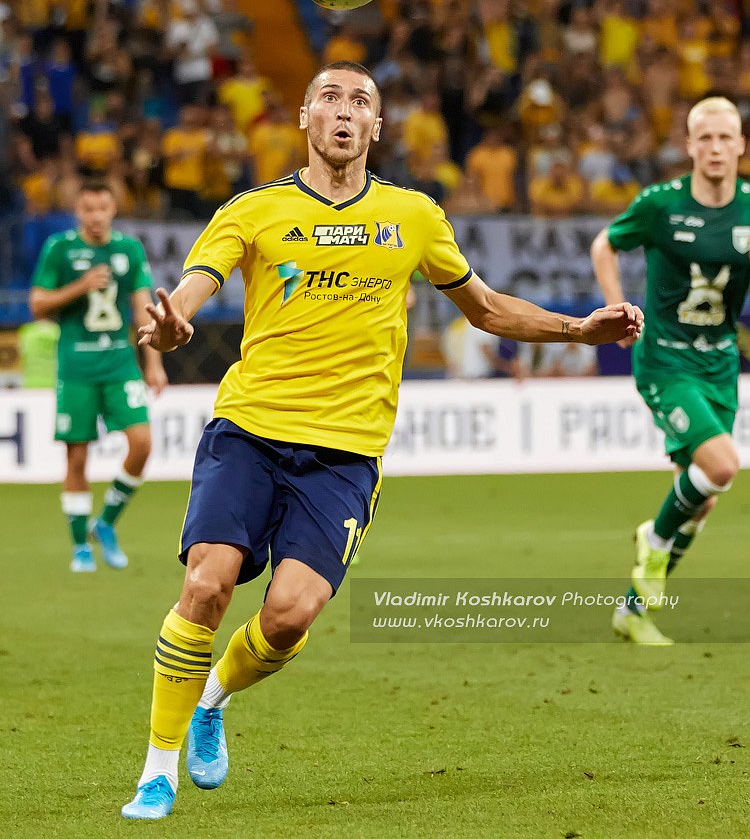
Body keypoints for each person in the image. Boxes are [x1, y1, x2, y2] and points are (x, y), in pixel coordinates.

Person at [122, 61, 643, 820]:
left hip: (345, 452)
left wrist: (578, 326)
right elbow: (194, 288)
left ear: (377, 126)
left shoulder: (414, 215)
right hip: (250, 430)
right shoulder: (253, 210)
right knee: (206, 584)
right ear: (303, 117)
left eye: (359, 101)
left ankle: (213, 697)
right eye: (329, 98)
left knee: (287, 617)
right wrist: (173, 327)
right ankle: (156, 770)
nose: (343, 111)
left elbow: (487, 308)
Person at [591, 96, 750, 646]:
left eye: (724, 137)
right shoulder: (661, 204)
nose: (714, 147)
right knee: (723, 466)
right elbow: (604, 245)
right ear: (688, 147)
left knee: (702, 495)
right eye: (703, 138)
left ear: (740, 147)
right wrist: (616, 309)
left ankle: (632, 612)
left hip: (721, 363)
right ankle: (653, 545)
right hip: (666, 359)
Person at [28, 181, 168, 573]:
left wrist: (153, 364)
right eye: (87, 208)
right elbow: (37, 304)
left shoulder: (127, 249)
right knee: (77, 456)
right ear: (78, 211)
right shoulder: (60, 248)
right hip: (75, 367)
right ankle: (80, 546)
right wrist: (81, 286)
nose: (95, 216)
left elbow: (144, 310)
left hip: (119, 363)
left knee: (141, 444)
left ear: (113, 210)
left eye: (102, 208)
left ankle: (105, 522)